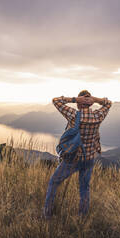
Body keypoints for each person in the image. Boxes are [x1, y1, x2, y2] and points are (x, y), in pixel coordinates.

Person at [43, 90, 112, 218]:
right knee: (84, 188)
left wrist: (74, 99)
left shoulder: (74, 115)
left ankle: (47, 214)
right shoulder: (98, 116)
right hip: (89, 158)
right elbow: (108, 103)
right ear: (90, 104)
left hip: (72, 159)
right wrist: (95, 99)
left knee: (54, 182)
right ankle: (82, 217)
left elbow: (55, 100)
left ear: (80, 103)